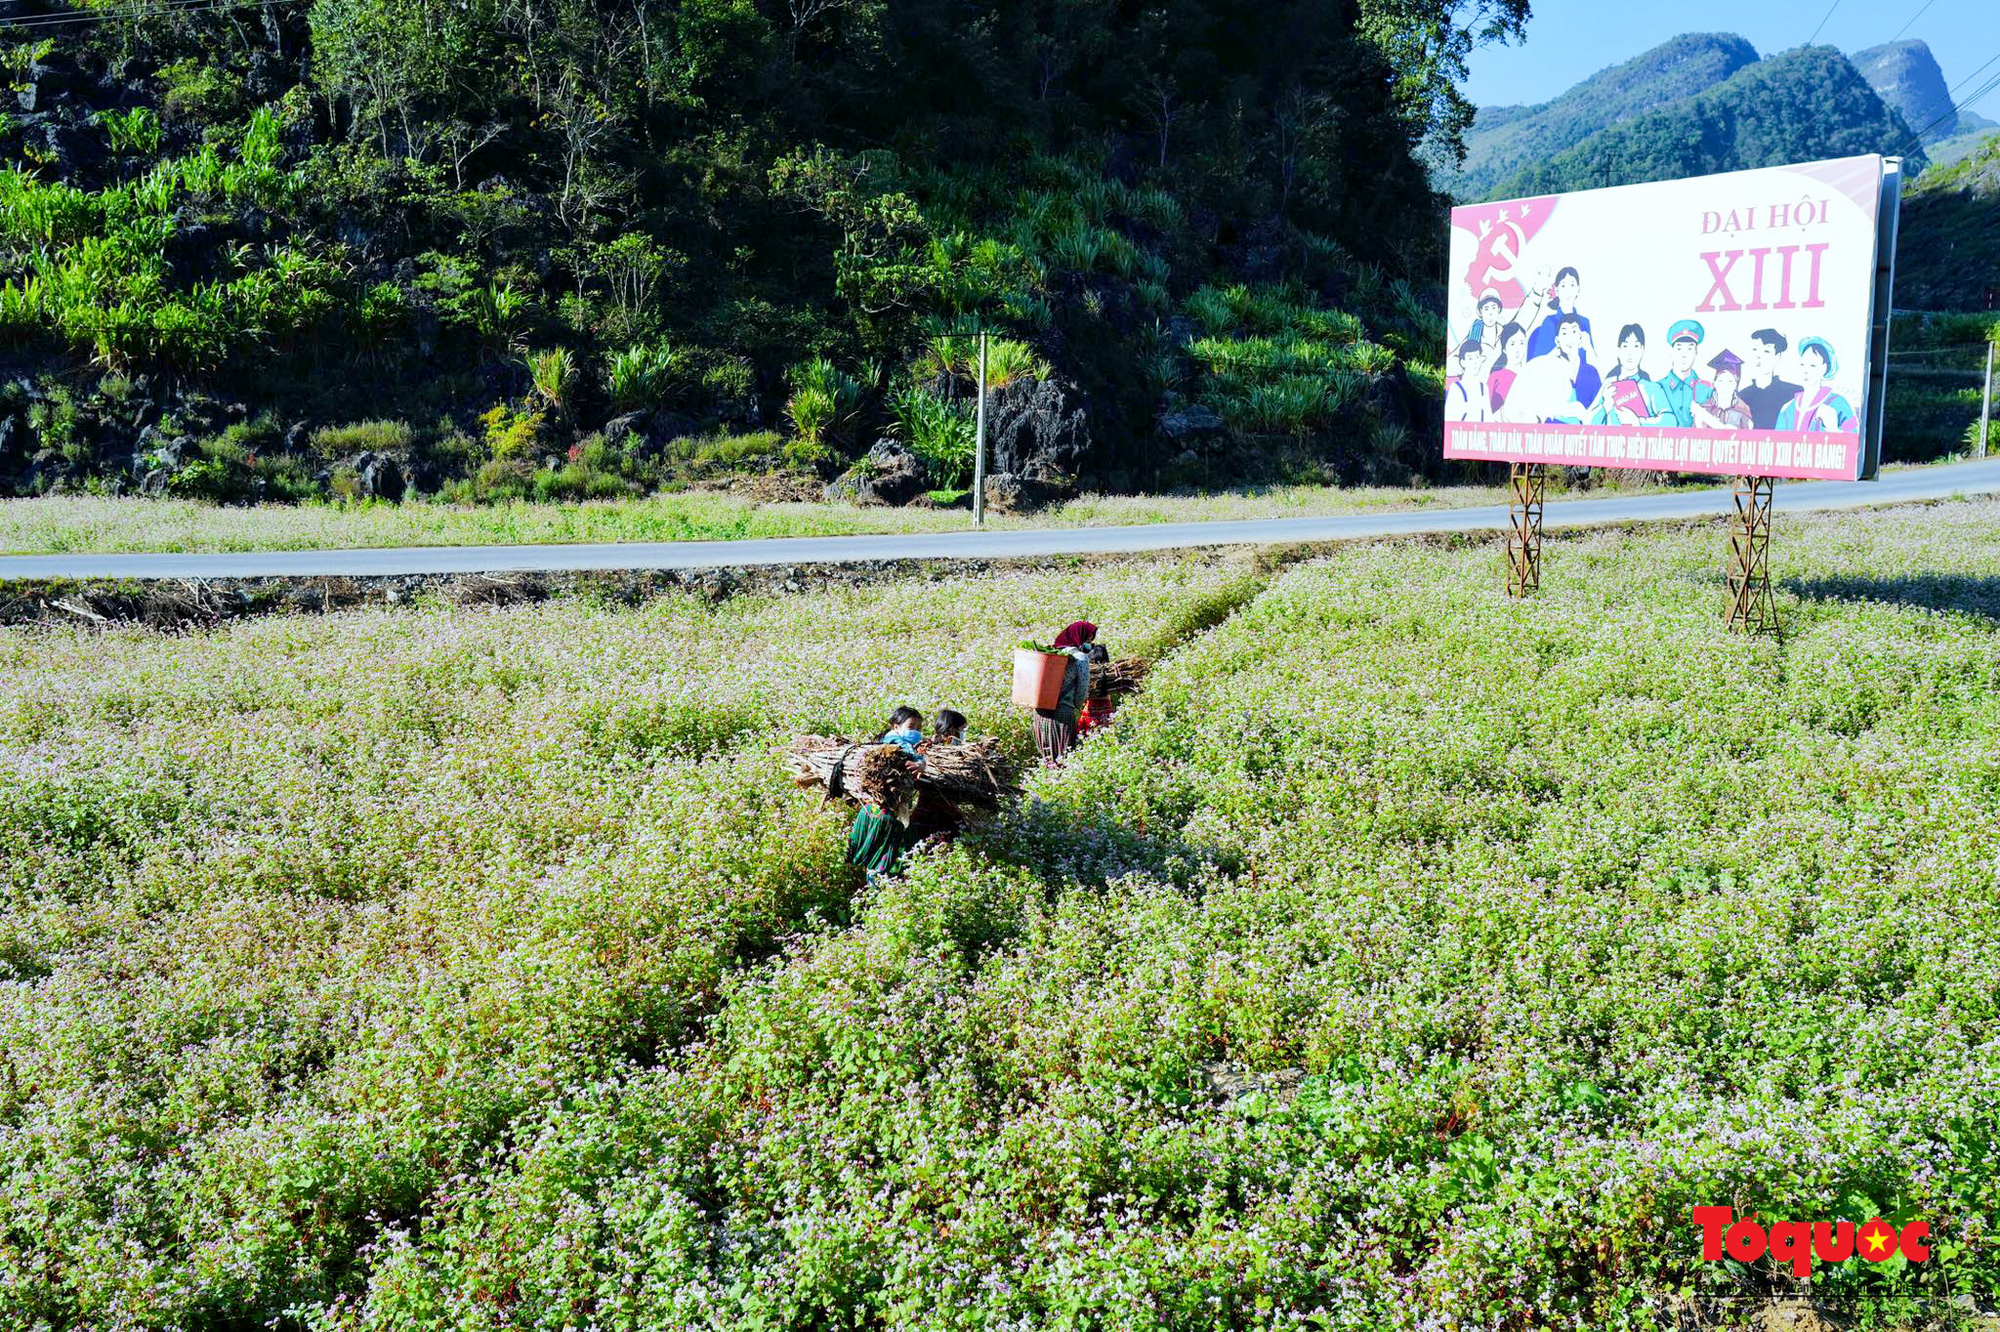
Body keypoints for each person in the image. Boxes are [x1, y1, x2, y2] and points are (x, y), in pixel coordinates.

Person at [845, 707, 925, 881]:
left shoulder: (877, 813)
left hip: (886, 810)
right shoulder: (894, 742)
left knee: (886, 858)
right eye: (912, 726)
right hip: (886, 813)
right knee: (885, 860)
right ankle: (880, 886)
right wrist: (921, 762)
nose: (916, 732)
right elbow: (910, 752)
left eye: (919, 728)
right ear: (896, 726)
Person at [1522, 266, 1600, 408]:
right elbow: (1538, 364)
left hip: (1582, 386)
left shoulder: (1584, 322)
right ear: (1557, 290)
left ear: (1578, 289)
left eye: (1572, 285)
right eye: (1563, 286)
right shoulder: (1549, 322)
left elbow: (1591, 360)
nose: (1568, 290)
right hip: (1554, 388)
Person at [1501, 313, 1588, 423]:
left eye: (1574, 332)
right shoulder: (1546, 365)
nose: (1570, 338)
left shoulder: (1584, 371)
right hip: (1519, 420)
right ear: (1557, 341)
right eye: (1565, 333)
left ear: (1581, 339)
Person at [1034, 620, 1095, 766]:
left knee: (1047, 755)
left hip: (1041, 713)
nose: (1089, 643)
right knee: (1063, 755)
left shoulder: (1053, 653)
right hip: (1063, 714)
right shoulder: (1080, 657)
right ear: (1079, 637)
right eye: (1088, 639)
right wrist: (1077, 706)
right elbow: (1082, 688)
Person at [1775, 337, 1859, 433]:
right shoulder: (1788, 408)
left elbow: (1855, 439)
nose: (1806, 371)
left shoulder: (1839, 403)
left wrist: (1833, 429)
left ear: (1825, 368)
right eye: (1802, 364)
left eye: (1812, 365)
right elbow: (1777, 442)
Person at [1587, 323, 1665, 426]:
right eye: (1625, 346)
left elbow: (1670, 421)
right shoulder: (1609, 384)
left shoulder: (1652, 388)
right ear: (1618, 351)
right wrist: (1605, 406)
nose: (1630, 352)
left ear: (1642, 350)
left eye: (1636, 346)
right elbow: (1587, 421)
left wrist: (1638, 422)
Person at [1649, 319, 1713, 428]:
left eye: (1689, 348)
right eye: (1679, 348)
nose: (1684, 355)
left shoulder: (1707, 389)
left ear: (1696, 351)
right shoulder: (1658, 388)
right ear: (1671, 351)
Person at [1738, 328, 1801, 431]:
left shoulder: (1794, 393)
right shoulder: (1742, 396)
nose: (1759, 356)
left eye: (1766, 351)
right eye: (1755, 349)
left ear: (1777, 357)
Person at [1692, 350, 1755, 430]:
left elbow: (1749, 438)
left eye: (1730, 381)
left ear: (1736, 384)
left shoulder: (1743, 411)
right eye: (1721, 381)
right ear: (1715, 383)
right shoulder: (1704, 409)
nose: (1725, 386)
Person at [1486, 321, 1528, 415]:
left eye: (1522, 343)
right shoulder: (1495, 377)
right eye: (1512, 344)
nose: (1518, 349)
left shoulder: (1530, 374)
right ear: (1504, 349)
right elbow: (1487, 411)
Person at [1446, 338, 1490, 422]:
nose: (1475, 362)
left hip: (1481, 433)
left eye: (1477, 357)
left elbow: (1488, 419)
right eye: (1470, 358)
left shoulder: (1483, 388)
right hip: (1461, 433)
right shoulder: (1456, 388)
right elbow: (1451, 420)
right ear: (1463, 362)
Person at [1077, 643, 1115, 736]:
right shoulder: (1111, 672)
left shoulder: (1090, 672)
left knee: (1086, 736)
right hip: (1106, 707)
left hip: (1091, 708)